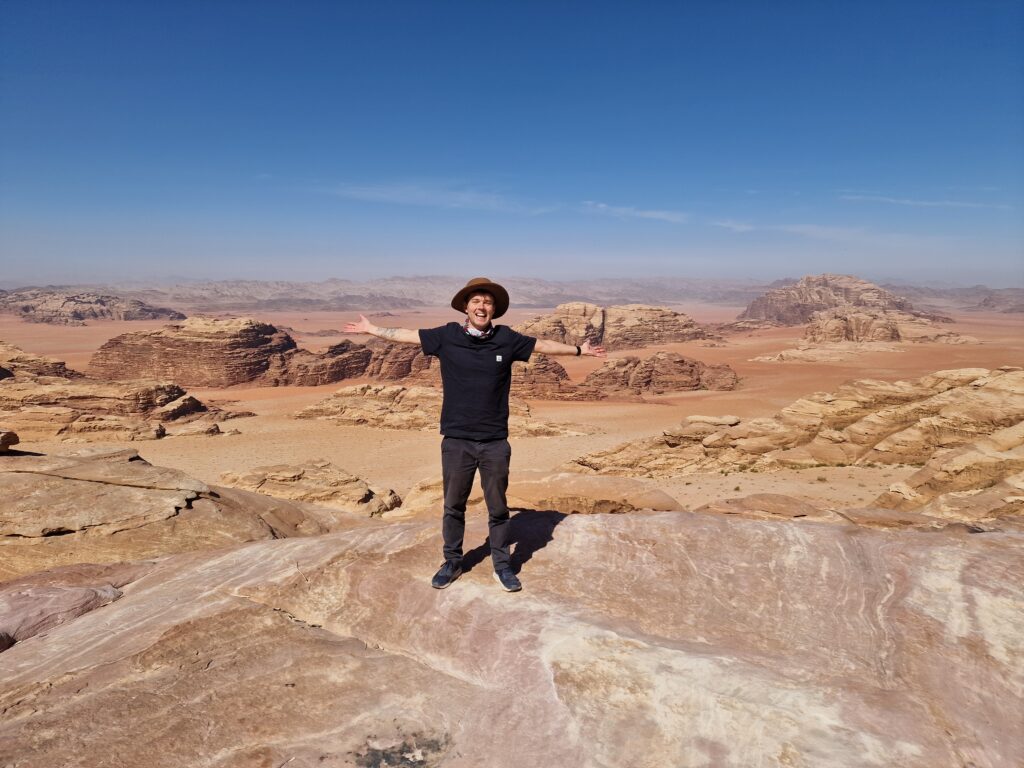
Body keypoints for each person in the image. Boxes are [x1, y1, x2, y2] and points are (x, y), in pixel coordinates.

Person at [342, 277, 605, 592]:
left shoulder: (506, 339)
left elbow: (543, 345)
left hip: (494, 441)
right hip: (457, 440)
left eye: (488, 302)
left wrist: (579, 350)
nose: (482, 307)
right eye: (476, 301)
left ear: (494, 309)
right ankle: (452, 562)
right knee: (454, 506)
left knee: (498, 508)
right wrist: (373, 329)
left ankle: (502, 566)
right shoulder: (447, 336)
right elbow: (408, 335)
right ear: (466, 307)